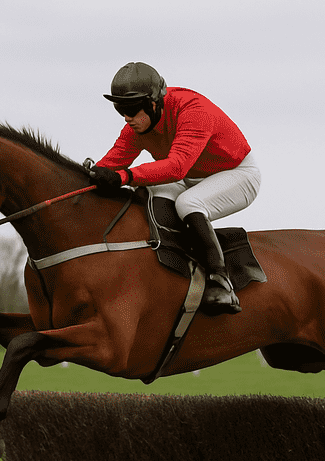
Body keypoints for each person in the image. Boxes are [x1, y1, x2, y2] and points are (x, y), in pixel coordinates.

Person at [86, 62, 261, 315]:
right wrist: (91, 177)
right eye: (120, 109)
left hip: (237, 174)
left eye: (131, 109)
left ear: (154, 102)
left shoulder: (193, 110)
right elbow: (110, 165)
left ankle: (221, 280)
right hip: (190, 175)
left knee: (188, 203)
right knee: (148, 196)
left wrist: (124, 176)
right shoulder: (138, 125)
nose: (126, 117)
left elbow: (177, 166)